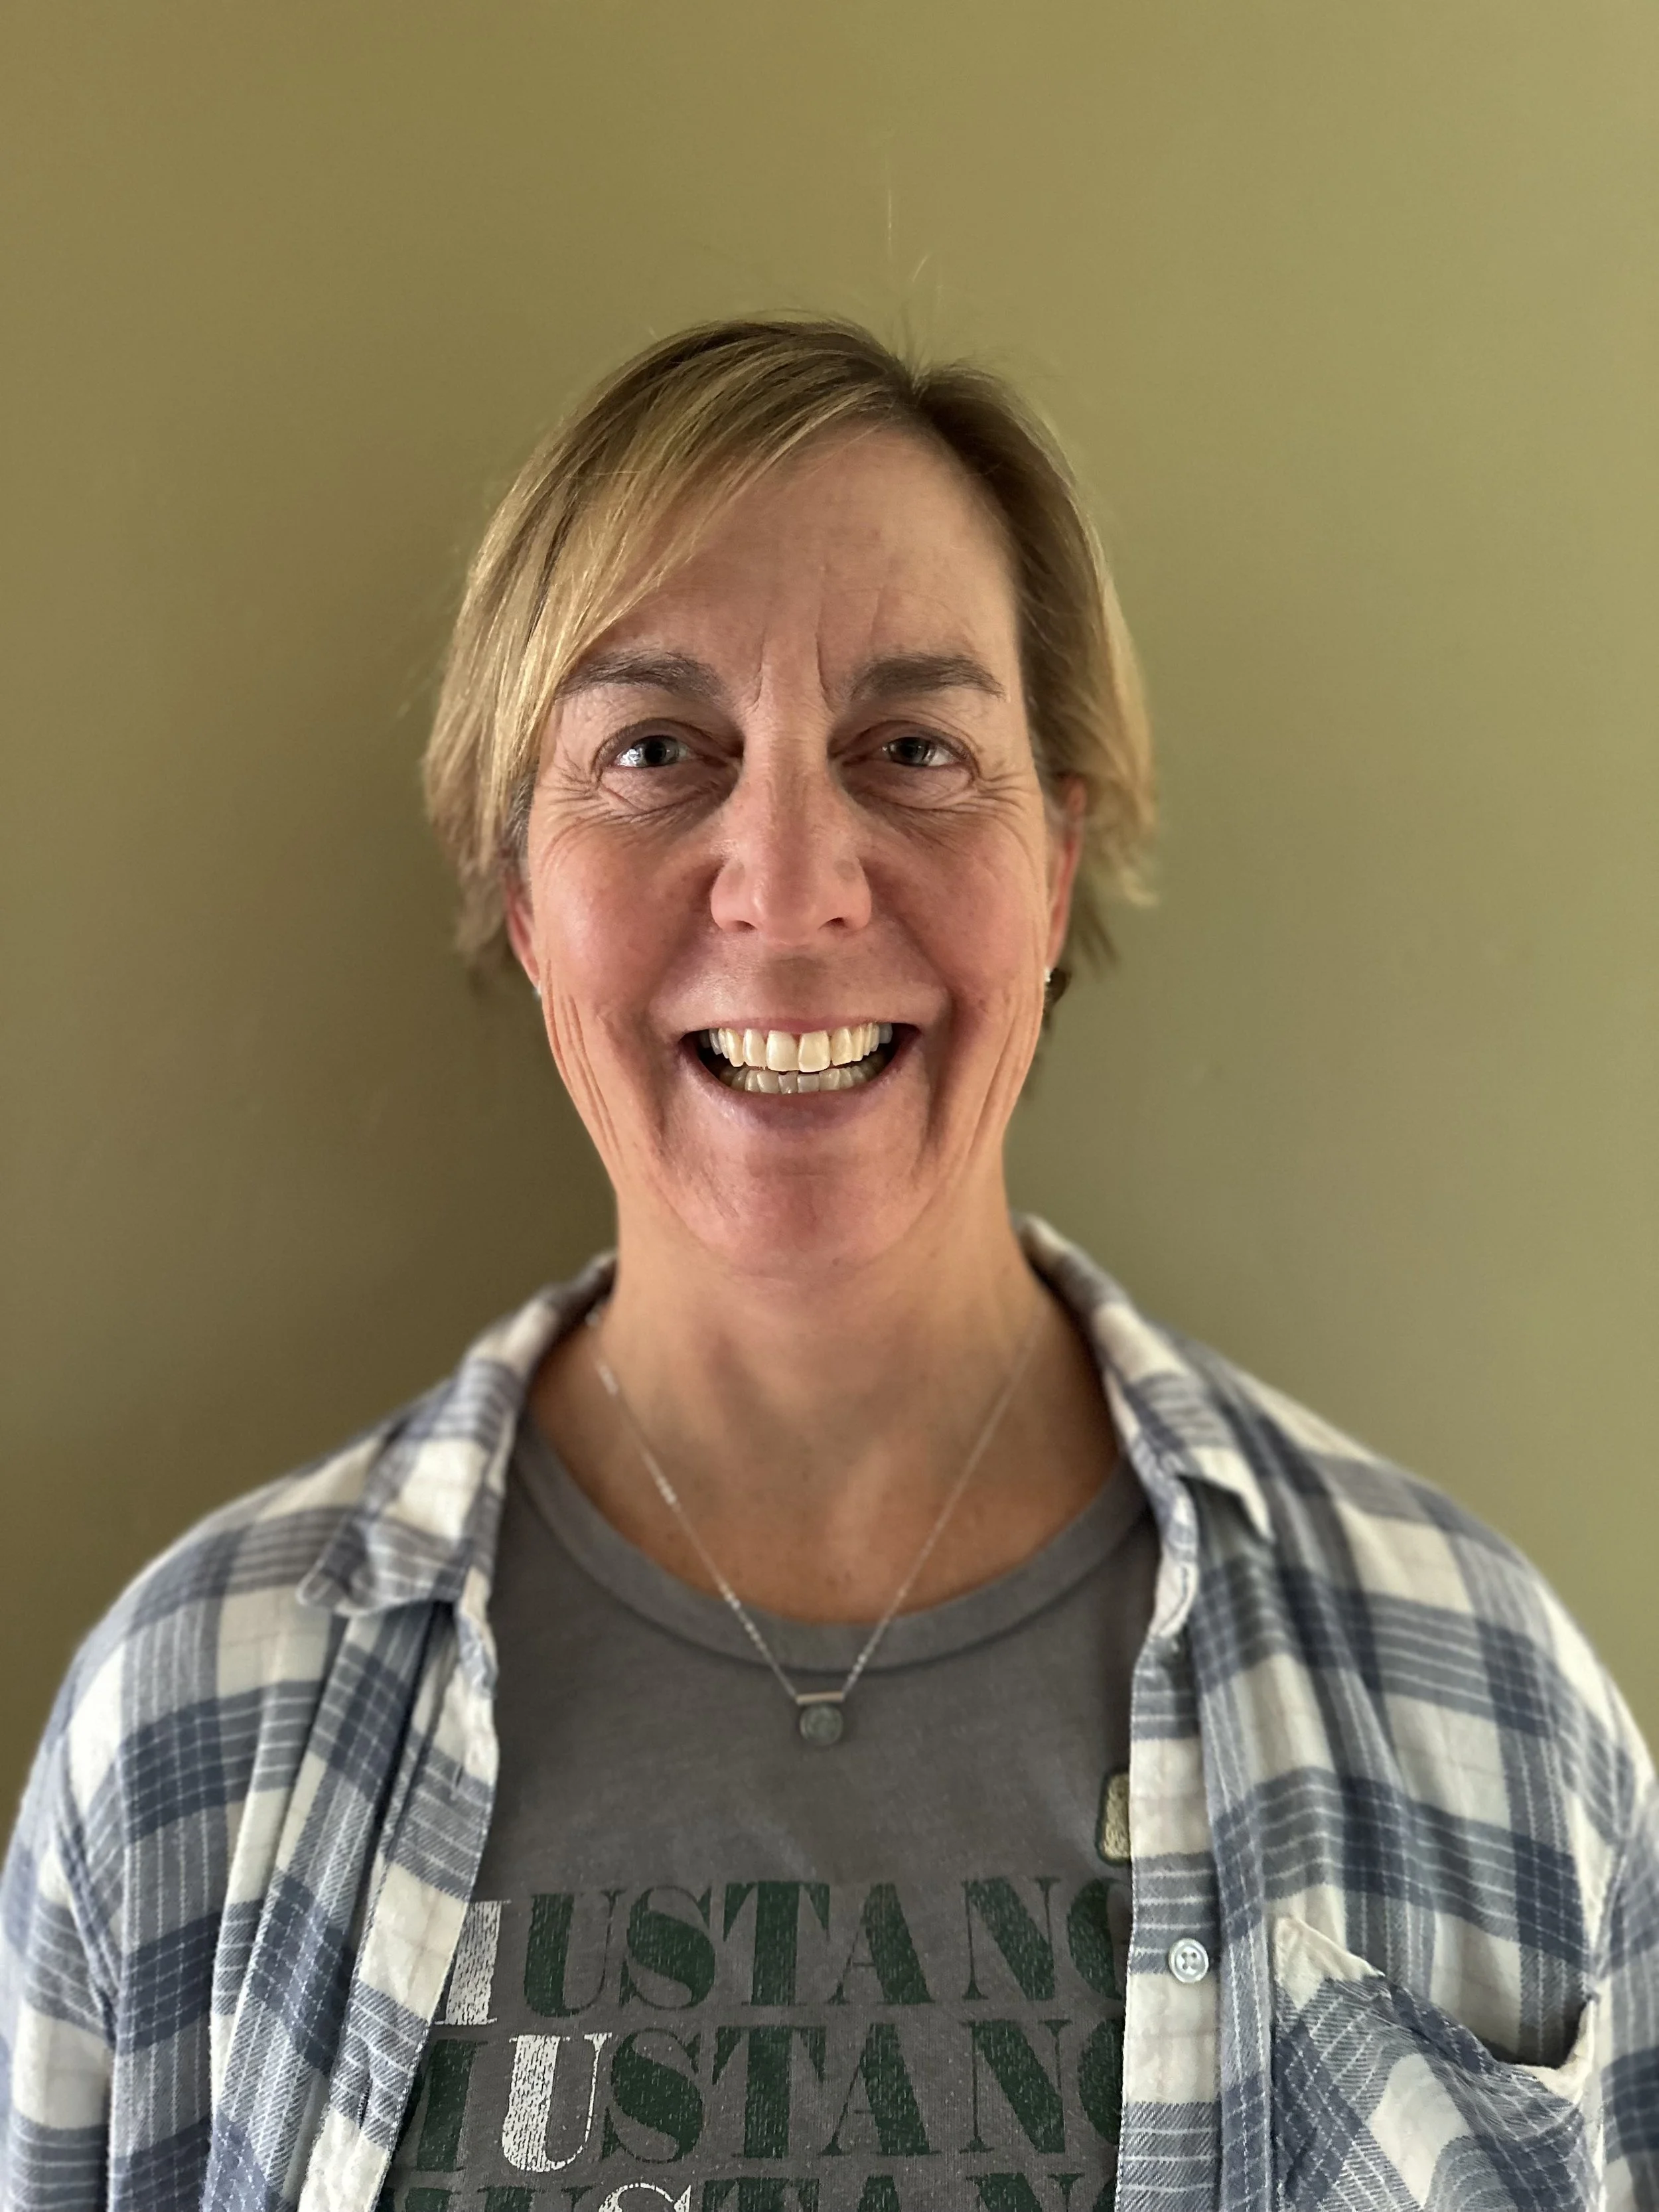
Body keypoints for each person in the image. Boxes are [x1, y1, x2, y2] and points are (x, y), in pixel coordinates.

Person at [1, 318, 1654, 2212]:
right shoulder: (188, 1728)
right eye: (653, 752)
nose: (789, 884)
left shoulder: (1484, 1700)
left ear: (1052, 870)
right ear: (522, 892)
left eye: (912, 749)